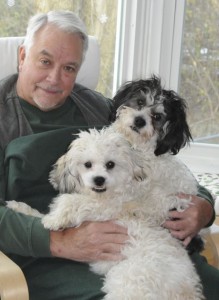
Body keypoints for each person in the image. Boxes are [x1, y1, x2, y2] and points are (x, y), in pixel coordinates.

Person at [0, 10, 218, 300]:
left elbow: (162, 165)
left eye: (69, 68)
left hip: (146, 245)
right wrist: (57, 241)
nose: (54, 78)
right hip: (48, 256)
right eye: (45, 61)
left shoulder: (101, 108)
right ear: (23, 54)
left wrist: (203, 206)